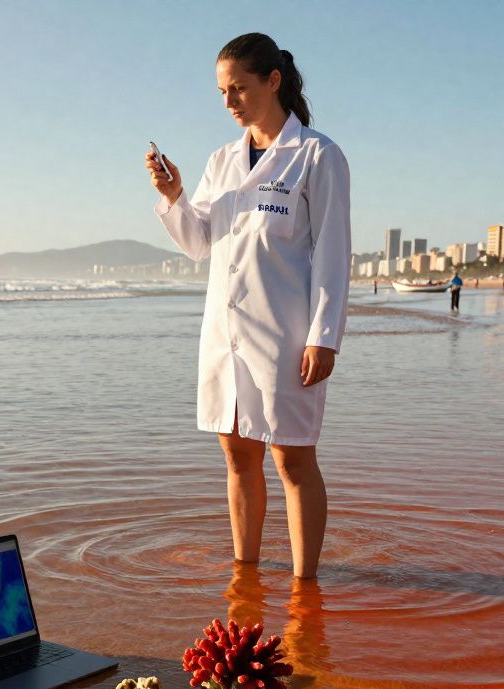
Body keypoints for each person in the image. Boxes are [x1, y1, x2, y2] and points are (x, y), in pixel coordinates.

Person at [145, 32, 350, 580]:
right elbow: (199, 241)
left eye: (237, 88)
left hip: (287, 335)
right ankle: (247, 573)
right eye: (221, 92)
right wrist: (174, 197)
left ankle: (305, 584)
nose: (228, 101)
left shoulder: (317, 156)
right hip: (224, 333)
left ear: (272, 80)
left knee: (293, 459)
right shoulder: (222, 160)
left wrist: (324, 336)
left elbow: (333, 251)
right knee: (238, 457)